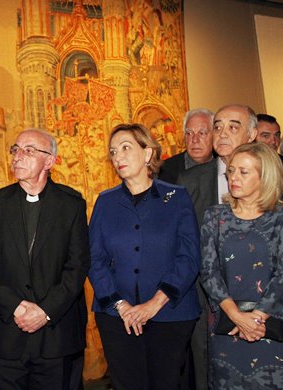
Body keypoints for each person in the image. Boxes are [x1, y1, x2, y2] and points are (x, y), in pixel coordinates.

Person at [0, 128, 90, 389]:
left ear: (49, 161)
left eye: (28, 150)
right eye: (15, 149)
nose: (17, 156)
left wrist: (45, 311)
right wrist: (16, 306)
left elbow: (77, 266)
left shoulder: (71, 205)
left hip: (56, 337)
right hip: (5, 335)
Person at [88, 124, 201, 389]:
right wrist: (121, 305)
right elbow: (94, 259)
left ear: (148, 153)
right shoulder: (105, 201)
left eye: (126, 148)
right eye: (113, 152)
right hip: (118, 318)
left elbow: (189, 256)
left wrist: (153, 304)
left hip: (170, 314)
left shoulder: (177, 198)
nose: (118, 157)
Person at [177, 104, 258, 390]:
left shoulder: (276, 177)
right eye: (218, 127)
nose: (222, 134)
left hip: (263, 308)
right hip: (205, 303)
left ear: (252, 134)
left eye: (233, 127)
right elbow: (184, 246)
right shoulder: (189, 181)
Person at [200, 142, 283, 389]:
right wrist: (237, 317)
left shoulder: (279, 219)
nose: (233, 177)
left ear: (265, 176)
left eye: (243, 172)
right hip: (226, 325)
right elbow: (208, 271)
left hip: (272, 328)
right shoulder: (214, 216)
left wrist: (255, 320)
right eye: (232, 170)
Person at [158, 108, 214, 184]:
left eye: (202, 133)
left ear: (214, 135)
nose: (195, 140)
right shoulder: (165, 171)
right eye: (189, 133)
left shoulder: (226, 166)